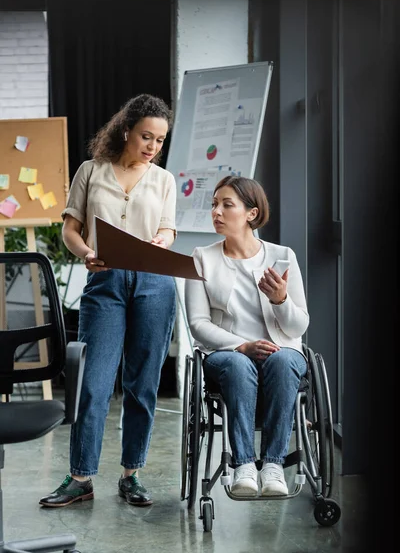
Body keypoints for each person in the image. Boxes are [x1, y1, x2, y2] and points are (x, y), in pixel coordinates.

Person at [39, 94, 177, 508]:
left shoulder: (164, 180)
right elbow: (70, 230)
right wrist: (85, 254)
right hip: (105, 282)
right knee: (93, 384)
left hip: (154, 282)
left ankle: (131, 474)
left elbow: (169, 231)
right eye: (145, 137)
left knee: (142, 385)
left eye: (159, 140)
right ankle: (80, 477)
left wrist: (160, 242)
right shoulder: (91, 170)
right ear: (126, 131)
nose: (152, 147)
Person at [184, 176, 309, 497]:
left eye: (227, 205)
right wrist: (241, 345)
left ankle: (272, 465)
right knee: (239, 365)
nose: (217, 212)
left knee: (283, 361)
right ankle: (243, 465)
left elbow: (298, 327)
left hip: (280, 351)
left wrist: (281, 300)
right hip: (226, 354)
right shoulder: (202, 258)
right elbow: (197, 324)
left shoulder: (282, 256)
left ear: (251, 214)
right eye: (214, 205)